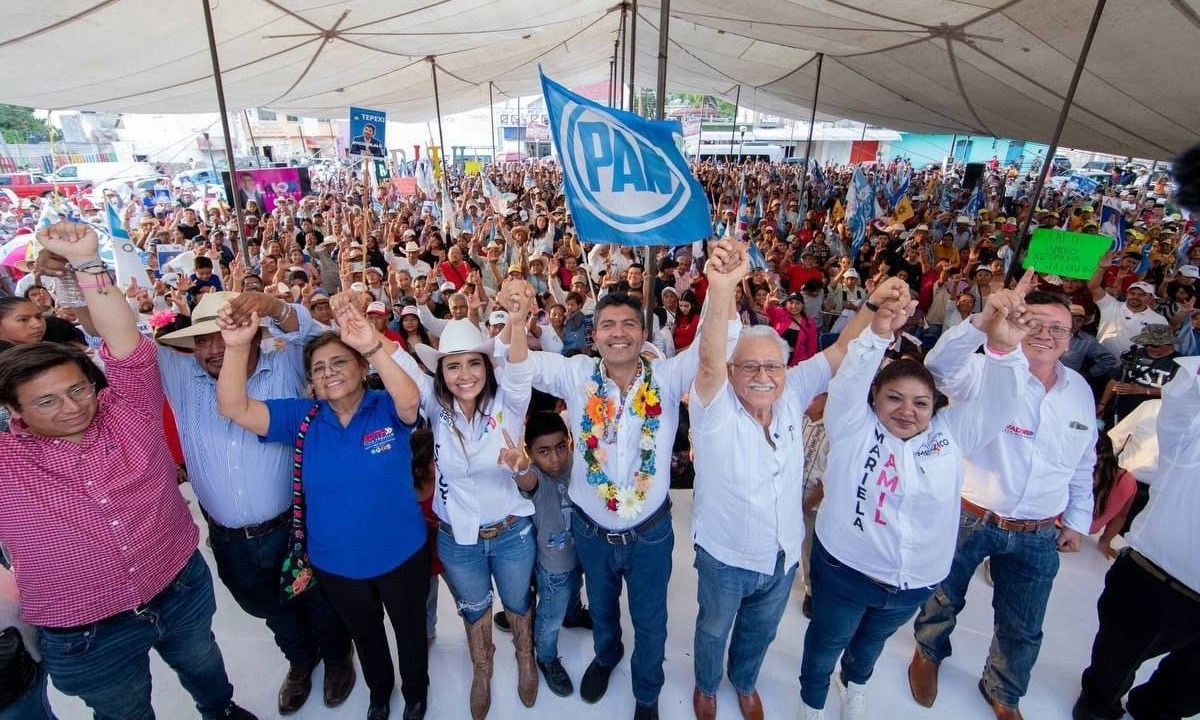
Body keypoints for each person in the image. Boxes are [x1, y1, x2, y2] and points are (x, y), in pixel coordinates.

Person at [0, 220, 256, 720]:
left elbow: (127, 347)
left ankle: (220, 710)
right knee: (125, 713)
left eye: (77, 390)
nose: (70, 407)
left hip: (179, 586)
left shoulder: (128, 412)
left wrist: (90, 263)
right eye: (46, 401)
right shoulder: (9, 464)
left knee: (204, 665)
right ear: (14, 412)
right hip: (87, 632)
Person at [507, 265, 743, 720]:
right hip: (592, 530)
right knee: (601, 606)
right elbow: (523, 367)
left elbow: (714, 351)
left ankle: (648, 693)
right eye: (608, 325)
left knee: (651, 621)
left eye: (629, 324)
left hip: (650, 533)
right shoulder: (576, 375)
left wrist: (722, 289)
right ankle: (607, 655)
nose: (619, 333)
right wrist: (518, 324)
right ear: (594, 335)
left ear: (642, 333)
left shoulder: (669, 377)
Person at [687, 237, 904, 720]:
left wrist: (872, 303)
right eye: (750, 366)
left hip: (783, 553)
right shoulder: (713, 410)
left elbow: (846, 347)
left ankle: (743, 682)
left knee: (760, 632)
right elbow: (707, 359)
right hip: (725, 555)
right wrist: (721, 287)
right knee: (713, 628)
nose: (763, 375)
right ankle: (706, 685)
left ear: (786, 369)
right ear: (731, 371)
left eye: (773, 365)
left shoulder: (791, 394)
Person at [800, 281, 1029, 720]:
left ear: (935, 406)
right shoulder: (852, 425)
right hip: (845, 571)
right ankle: (812, 702)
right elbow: (850, 378)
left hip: (914, 582)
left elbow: (1000, 402)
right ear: (875, 399)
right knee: (826, 640)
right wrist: (879, 333)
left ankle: (854, 684)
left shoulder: (950, 435)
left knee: (870, 643)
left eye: (920, 403)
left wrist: (1003, 349)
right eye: (894, 398)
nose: (907, 410)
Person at [216, 294, 429, 720]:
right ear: (310, 382)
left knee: (409, 631)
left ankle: (416, 692)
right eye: (318, 368)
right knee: (365, 635)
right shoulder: (303, 417)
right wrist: (238, 347)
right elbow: (234, 407)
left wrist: (371, 344)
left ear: (362, 368)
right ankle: (380, 694)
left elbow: (412, 400)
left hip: (401, 552)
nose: (329, 372)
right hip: (336, 563)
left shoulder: (386, 405)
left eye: (339, 362)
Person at [154, 289, 357, 715]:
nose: (214, 348)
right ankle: (302, 661)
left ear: (254, 335)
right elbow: (120, 348)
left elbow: (320, 336)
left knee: (319, 598)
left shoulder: (283, 362)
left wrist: (276, 307)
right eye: (203, 339)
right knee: (267, 606)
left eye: (224, 335)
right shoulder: (178, 374)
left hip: (295, 524)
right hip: (229, 537)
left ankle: (338, 658)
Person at [909, 278, 1098, 720]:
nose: (1045, 336)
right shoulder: (983, 370)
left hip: (1038, 529)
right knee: (943, 596)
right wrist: (983, 320)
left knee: (1024, 623)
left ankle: (1004, 690)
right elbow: (937, 368)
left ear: (1071, 339)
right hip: (969, 513)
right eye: (1035, 323)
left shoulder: (1080, 393)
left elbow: (1083, 459)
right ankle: (928, 653)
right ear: (1017, 321)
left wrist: (1077, 520)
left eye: (1058, 329)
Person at [389, 279, 538, 719]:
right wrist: (373, 339)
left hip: (512, 533)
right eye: (453, 366)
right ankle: (483, 669)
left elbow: (520, 370)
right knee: (474, 608)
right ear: (441, 372)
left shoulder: (509, 405)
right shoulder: (436, 408)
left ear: (487, 367)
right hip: (458, 540)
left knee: (517, 604)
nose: (465, 374)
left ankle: (525, 659)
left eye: (475, 363)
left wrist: (515, 323)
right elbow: (403, 366)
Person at [1072, 355, 1200, 720]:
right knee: (1114, 662)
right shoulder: (1191, 434)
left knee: (1188, 690)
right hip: (1155, 580)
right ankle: (1098, 708)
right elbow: (1178, 403)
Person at [503, 411, 590, 698]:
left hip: (581, 554)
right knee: (551, 614)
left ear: (569, 443)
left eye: (560, 447)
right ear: (530, 452)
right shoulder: (536, 476)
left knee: (575, 587)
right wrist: (520, 468)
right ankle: (546, 656)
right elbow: (527, 481)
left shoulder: (577, 465)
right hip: (553, 565)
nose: (555, 459)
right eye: (543, 452)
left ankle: (574, 615)